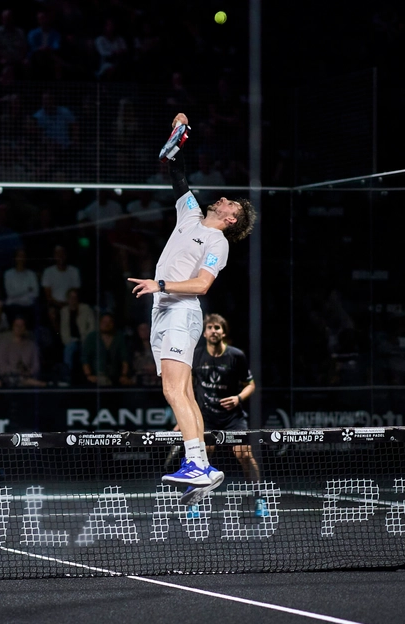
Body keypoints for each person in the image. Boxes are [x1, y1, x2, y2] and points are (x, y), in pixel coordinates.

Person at [128, 111, 256, 504]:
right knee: (182, 391)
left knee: (172, 389)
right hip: (162, 312)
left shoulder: (219, 244)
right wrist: (177, 134)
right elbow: (175, 170)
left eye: (227, 202)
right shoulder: (191, 214)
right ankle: (201, 469)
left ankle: (198, 464)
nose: (220, 198)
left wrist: (159, 284)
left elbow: (202, 285)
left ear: (231, 218)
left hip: (182, 310)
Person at [177, 314, 267, 515]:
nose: (213, 330)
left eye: (217, 327)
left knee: (244, 454)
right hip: (206, 417)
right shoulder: (196, 355)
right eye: (209, 327)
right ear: (204, 332)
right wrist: (183, 417)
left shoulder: (236, 356)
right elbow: (187, 387)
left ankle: (259, 498)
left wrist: (238, 398)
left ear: (223, 332)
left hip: (233, 418)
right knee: (201, 457)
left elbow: (250, 385)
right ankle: (194, 502)